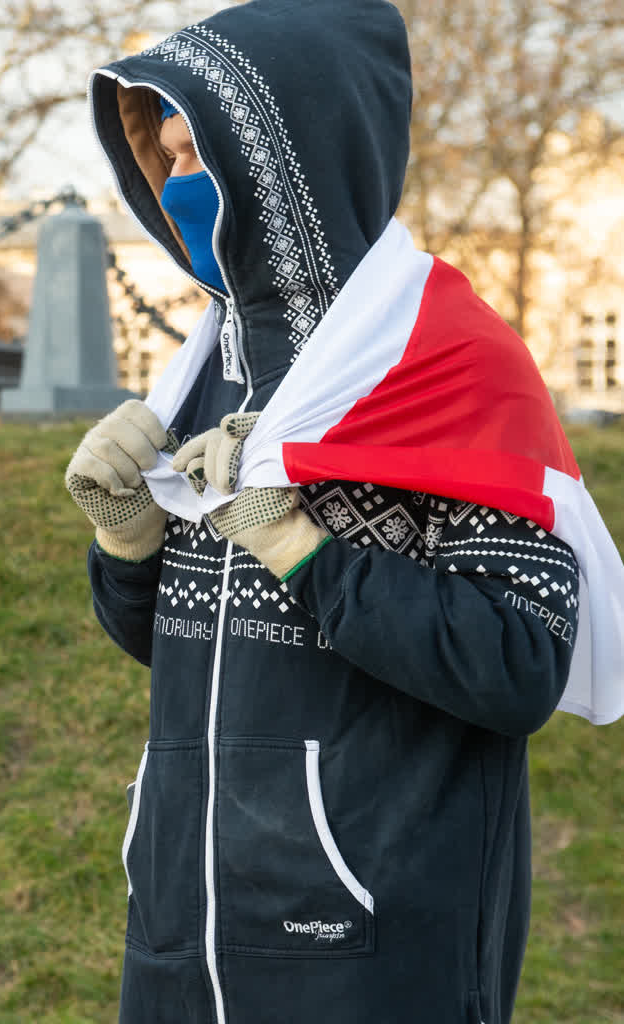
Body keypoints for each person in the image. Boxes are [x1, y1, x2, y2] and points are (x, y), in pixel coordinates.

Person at [65, 2, 622, 1022]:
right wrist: (126, 544)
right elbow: (189, 646)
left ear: (286, 155)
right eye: (165, 154)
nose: (175, 182)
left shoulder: (450, 367)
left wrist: (303, 547)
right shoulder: (205, 368)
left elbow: (516, 663)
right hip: (182, 930)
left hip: (369, 942)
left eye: (198, 152)